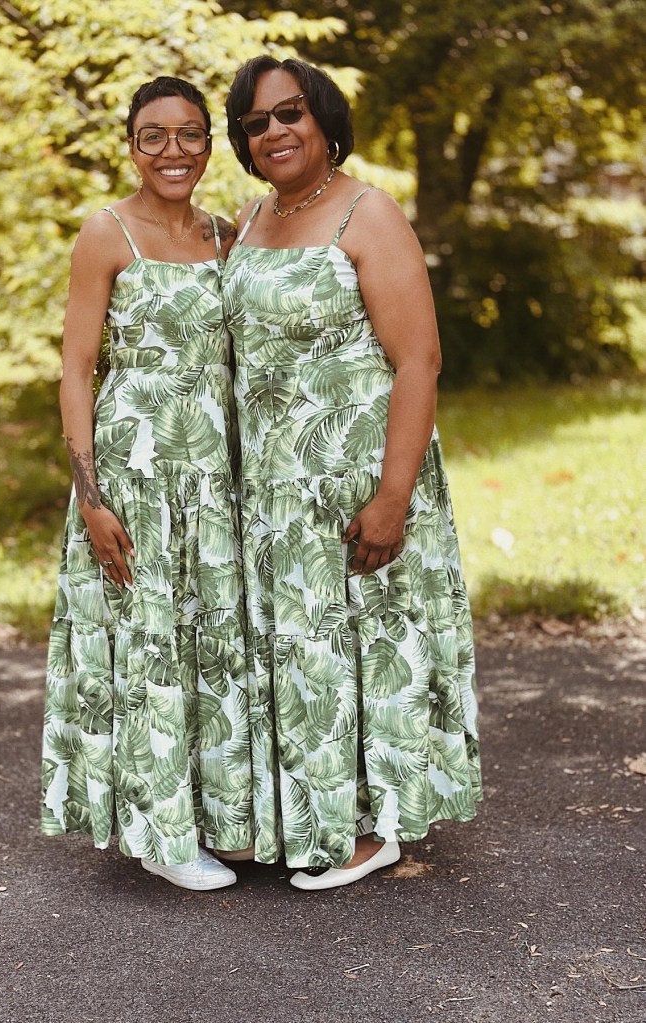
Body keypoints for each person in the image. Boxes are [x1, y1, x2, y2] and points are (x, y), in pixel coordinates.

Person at [223, 57, 482, 890]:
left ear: (325, 118)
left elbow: (419, 361)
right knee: (297, 654)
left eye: (289, 113)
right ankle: (301, 811)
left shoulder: (368, 213)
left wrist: (393, 497)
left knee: (365, 646)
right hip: (269, 486)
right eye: (256, 123)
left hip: (356, 476)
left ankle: (369, 828)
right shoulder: (250, 217)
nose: (275, 132)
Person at [41, 77, 253, 891]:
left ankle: (223, 815)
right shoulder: (105, 234)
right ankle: (162, 835)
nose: (173, 150)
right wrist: (90, 496)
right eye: (153, 135)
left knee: (213, 641)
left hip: (212, 472)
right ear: (130, 144)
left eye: (190, 134)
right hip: (134, 470)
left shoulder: (226, 236)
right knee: (152, 641)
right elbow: (76, 368)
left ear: (209, 144)